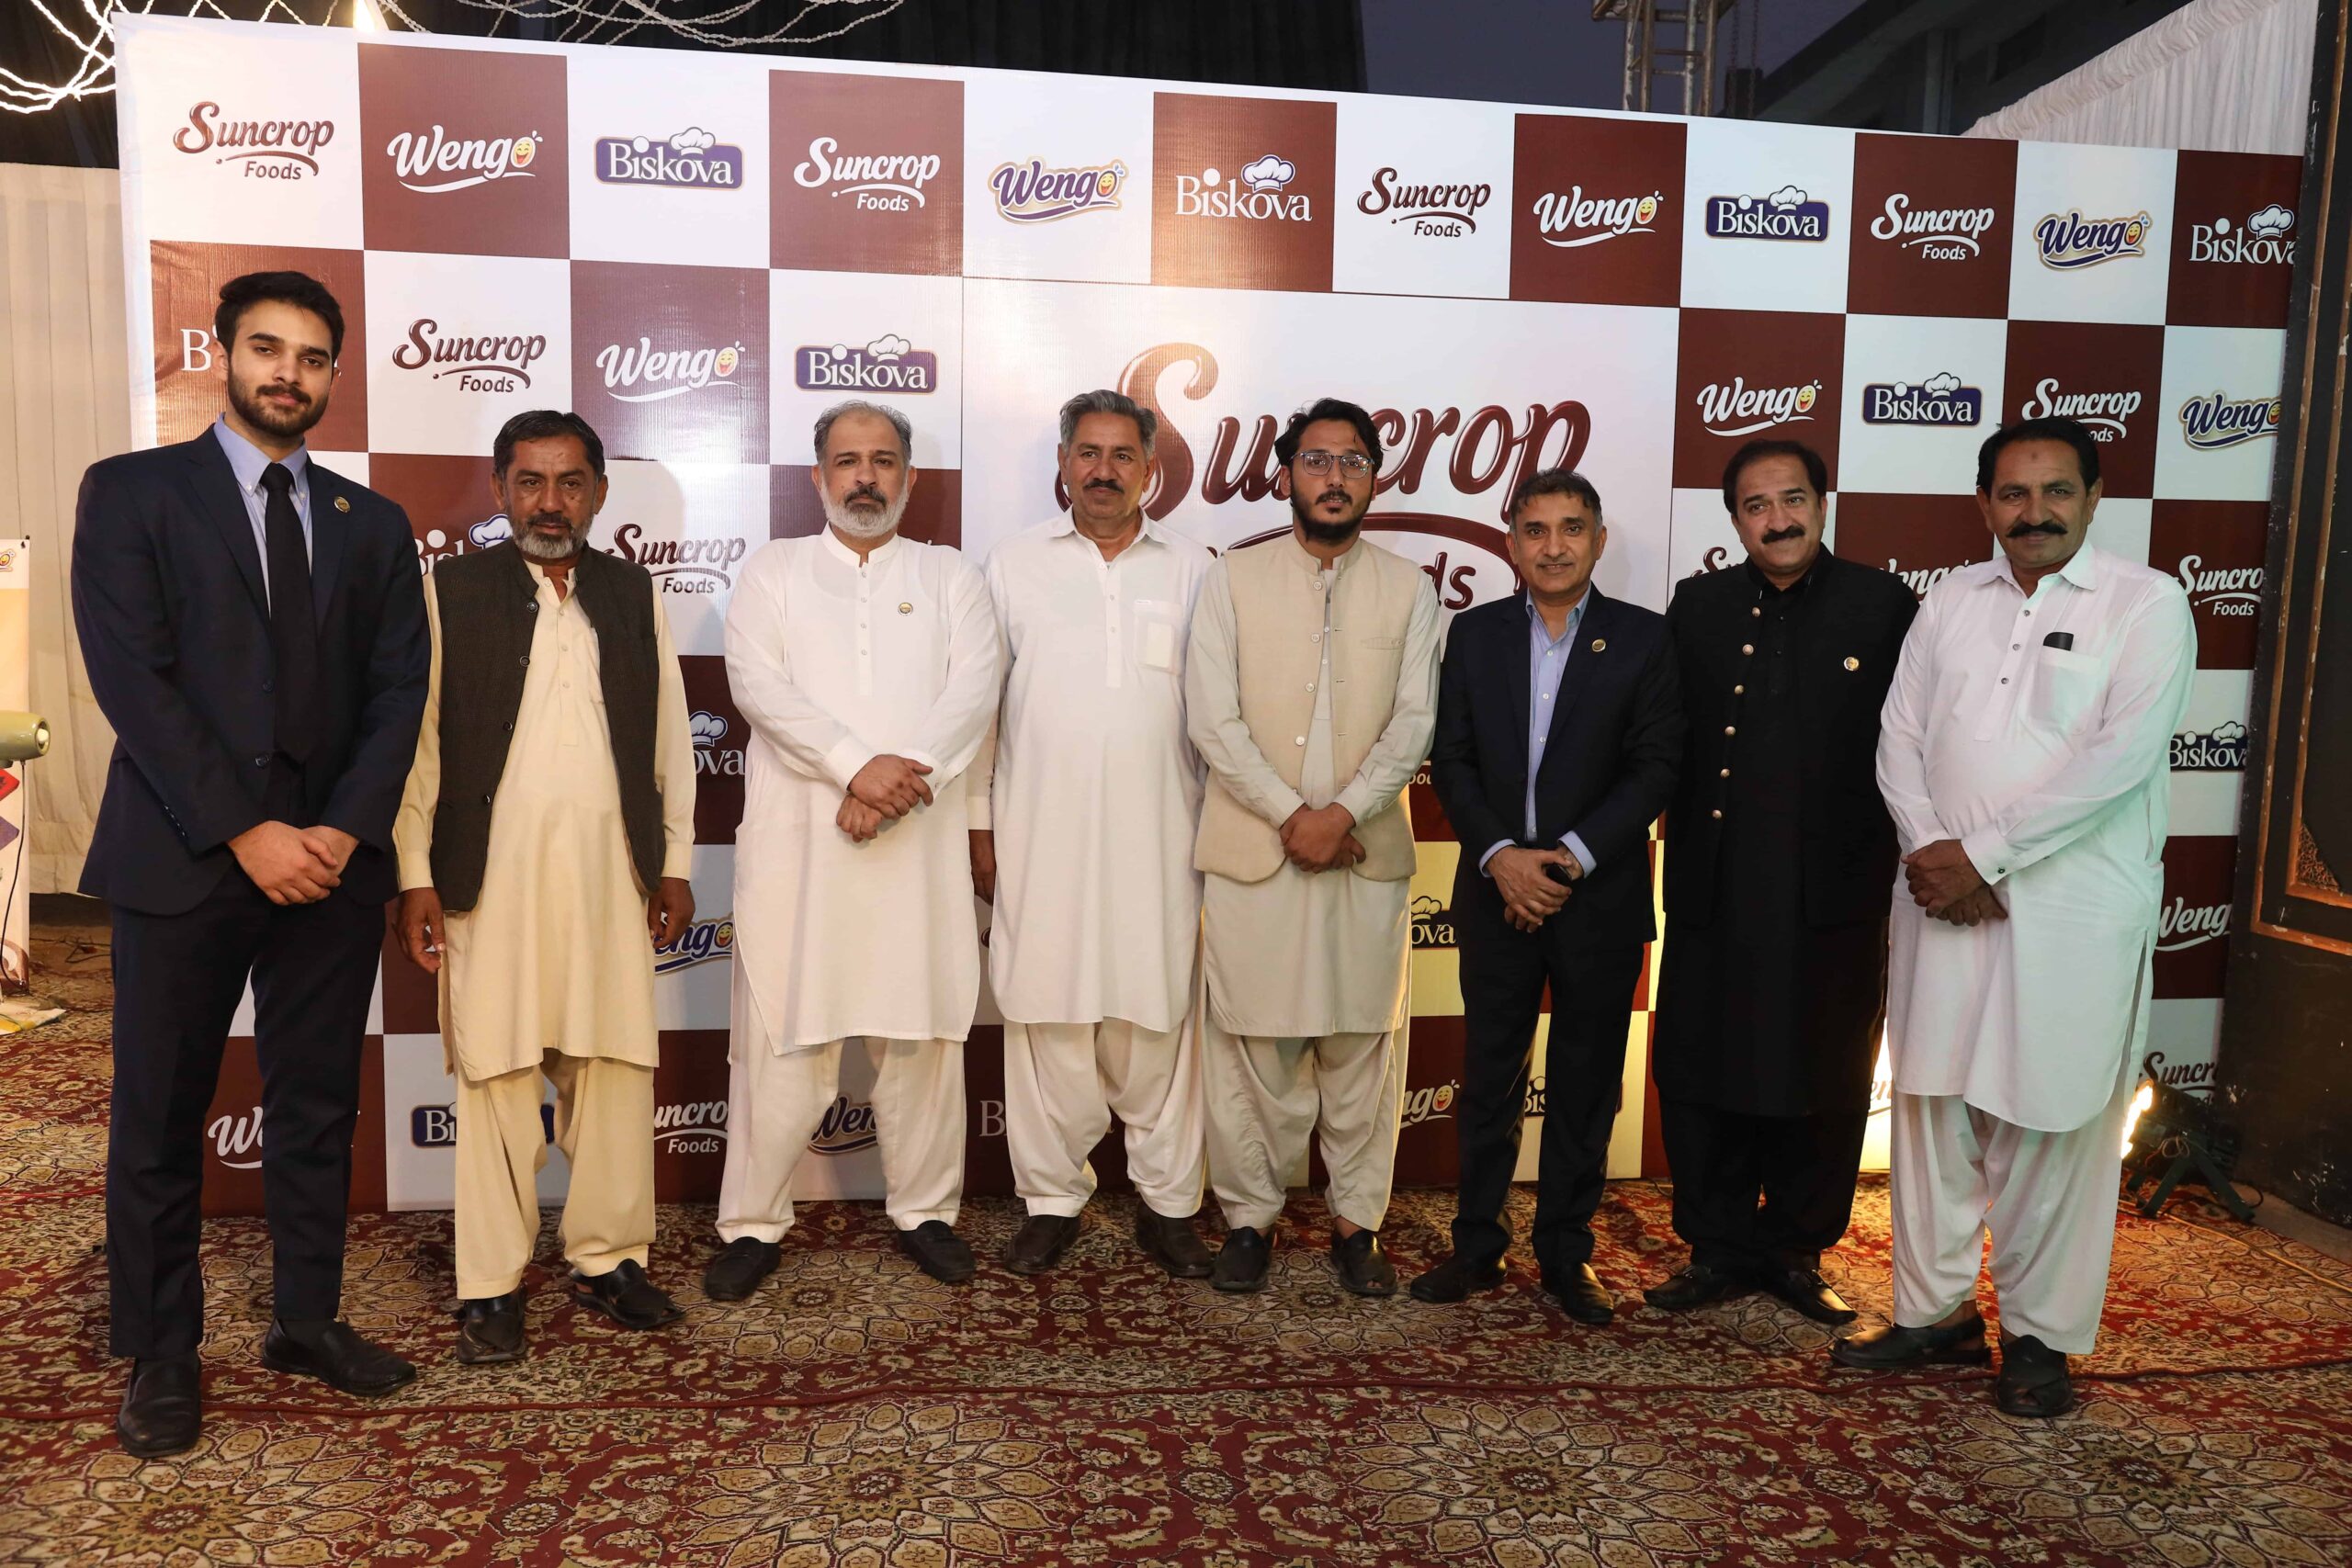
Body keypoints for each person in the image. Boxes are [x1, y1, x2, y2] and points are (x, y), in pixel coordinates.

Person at [72, 271, 429, 1455]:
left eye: (313, 357)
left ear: (333, 376)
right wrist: (245, 830)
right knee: (160, 1115)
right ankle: (161, 1353)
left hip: (330, 867)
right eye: (268, 349)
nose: (290, 373)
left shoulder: (371, 521)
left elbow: (400, 689)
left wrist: (344, 828)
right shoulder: (131, 492)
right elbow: (134, 681)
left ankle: (305, 1321)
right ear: (221, 355)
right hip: (184, 855)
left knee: (316, 1107)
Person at [1837, 417, 2194, 1418]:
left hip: (2069, 911)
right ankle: (1935, 1314)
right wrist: (1932, 852)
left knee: (2052, 1120)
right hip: (1941, 899)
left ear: (2094, 496)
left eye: (2056, 491)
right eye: (2012, 493)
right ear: (1985, 502)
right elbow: (1898, 736)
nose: (2034, 512)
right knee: (1933, 1104)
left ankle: (2039, 1338)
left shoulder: (2147, 603)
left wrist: (1983, 855)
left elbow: (2118, 761)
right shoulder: (1952, 598)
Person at [392, 410, 695, 1362]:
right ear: (500, 489)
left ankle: (610, 1259)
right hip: (492, 881)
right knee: (496, 1074)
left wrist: (675, 863)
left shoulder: (633, 593)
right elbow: (420, 745)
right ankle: (490, 1284)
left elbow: (670, 741)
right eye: (530, 482)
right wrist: (414, 875)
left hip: (611, 877)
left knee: (614, 1069)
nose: (550, 503)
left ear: (598, 493)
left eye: (570, 483)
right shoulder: (450, 591)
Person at [706, 400, 1002, 1296]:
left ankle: (927, 1212)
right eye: (847, 460)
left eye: (882, 460)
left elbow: (974, 690)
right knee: (783, 1041)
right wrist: (853, 768)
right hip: (803, 852)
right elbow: (759, 686)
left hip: (915, 850)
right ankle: (753, 1223)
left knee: (920, 1042)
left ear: (908, 475)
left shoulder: (950, 576)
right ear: (818, 476)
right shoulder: (775, 571)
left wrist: (892, 783)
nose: (864, 477)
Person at [1644, 441, 1917, 1325]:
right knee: (1702, 1065)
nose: (1778, 519)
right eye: (1756, 506)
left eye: (1793, 499)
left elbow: (1922, 737)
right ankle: (1716, 1247)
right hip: (1714, 884)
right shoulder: (1700, 605)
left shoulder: (1884, 605)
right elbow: (1663, 736)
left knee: (1826, 1070)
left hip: (1834, 893)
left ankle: (1798, 1249)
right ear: (1735, 521)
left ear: (1823, 504)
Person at [1410, 469, 1682, 1324]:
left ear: (1598, 540)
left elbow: (1656, 767)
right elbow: (1452, 759)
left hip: (1596, 897)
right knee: (1490, 1076)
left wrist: (1562, 863)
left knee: (1586, 1082)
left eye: (1571, 528)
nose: (1553, 546)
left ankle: (1567, 1252)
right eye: (1535, 529)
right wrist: (1502, 859)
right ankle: (1477, 1246)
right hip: (1496, 891)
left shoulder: (1645, 638)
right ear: (1511, 543)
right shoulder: (1475, 633)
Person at [1185, 397, 1441, 1297]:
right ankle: (1248, 1220)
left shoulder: (1410, 588)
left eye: (1353, 461)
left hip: (1364, 853)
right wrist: (1291, 812)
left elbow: (1415, 720)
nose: (1335, 477)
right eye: (1317, 460)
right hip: (1257, 849)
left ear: (1376, 478)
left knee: (1362, 1044)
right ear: (1286, 474)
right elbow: (1211, 717)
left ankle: (1356, 1225)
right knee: (1252, 1047)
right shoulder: (1230, 579)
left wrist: (1345, 812)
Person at [978, 390, 1215, 1278]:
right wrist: (979, 829)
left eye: (1122, 455)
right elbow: (977, 710)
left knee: (1160, 1020)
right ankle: (1050, 1200)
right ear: (1064, 463)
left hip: (1164, 838)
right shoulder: (1012, 564)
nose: (1104, 470)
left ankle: (1170, 1205)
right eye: (1088, 453)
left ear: (1150, 469)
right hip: (1039, 835)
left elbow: (1218, 713)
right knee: (1049, 1016)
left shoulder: (1193, 568)